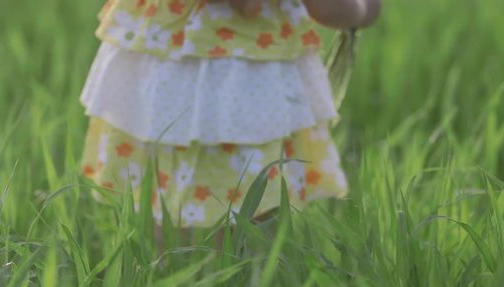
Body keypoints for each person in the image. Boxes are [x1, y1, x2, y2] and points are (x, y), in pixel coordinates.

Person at [80, 0, 381, 230]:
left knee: (181, 194)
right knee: (245, 199)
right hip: (224, 73)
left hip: (189, 72)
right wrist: (359, 9)